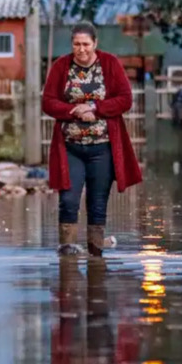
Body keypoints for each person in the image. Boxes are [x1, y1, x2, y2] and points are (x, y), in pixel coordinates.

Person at [43, 21, 143, 256]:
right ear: (71, 45)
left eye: (86, 44)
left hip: (103, 148)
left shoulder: (110, 64)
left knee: (97, 203)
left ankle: (95, 250)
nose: (81, 49)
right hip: (71, 147)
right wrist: (73, 110)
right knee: (68, 199)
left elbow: (125, 99)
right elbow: (48, 101)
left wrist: (95, 108)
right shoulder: (61, 66)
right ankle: (67, 248)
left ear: (95, 43)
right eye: (76, 44)